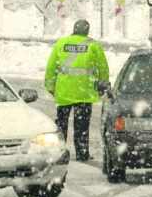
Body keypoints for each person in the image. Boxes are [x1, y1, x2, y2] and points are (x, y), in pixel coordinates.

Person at [44, 19, 109, 162]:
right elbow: (103, 68)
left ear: (74, 28)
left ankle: (59, 151)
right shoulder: (93, 46)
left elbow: (51, 67)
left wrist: (50, 86)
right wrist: (102, 85)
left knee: (61, 124)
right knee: (82, 125)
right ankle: (82, 153)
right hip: (84, 92)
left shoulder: (61, 43)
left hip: (64, 91)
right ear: (87, 30)